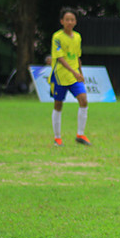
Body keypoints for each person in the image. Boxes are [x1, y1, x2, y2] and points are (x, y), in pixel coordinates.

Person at [49, 8, 91, 146]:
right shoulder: (57, 37)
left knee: (83, 100)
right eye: (67, 19)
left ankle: (80, 134)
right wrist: (74, 72)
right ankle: (57, 137)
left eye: (72, 19)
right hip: (60, 76)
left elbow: (77, 56)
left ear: (75, 21)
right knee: (58, 104)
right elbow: (60, 58)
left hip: (74, 76)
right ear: (62, 21)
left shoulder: (78, 37)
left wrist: (80, 72)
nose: (69, 22)